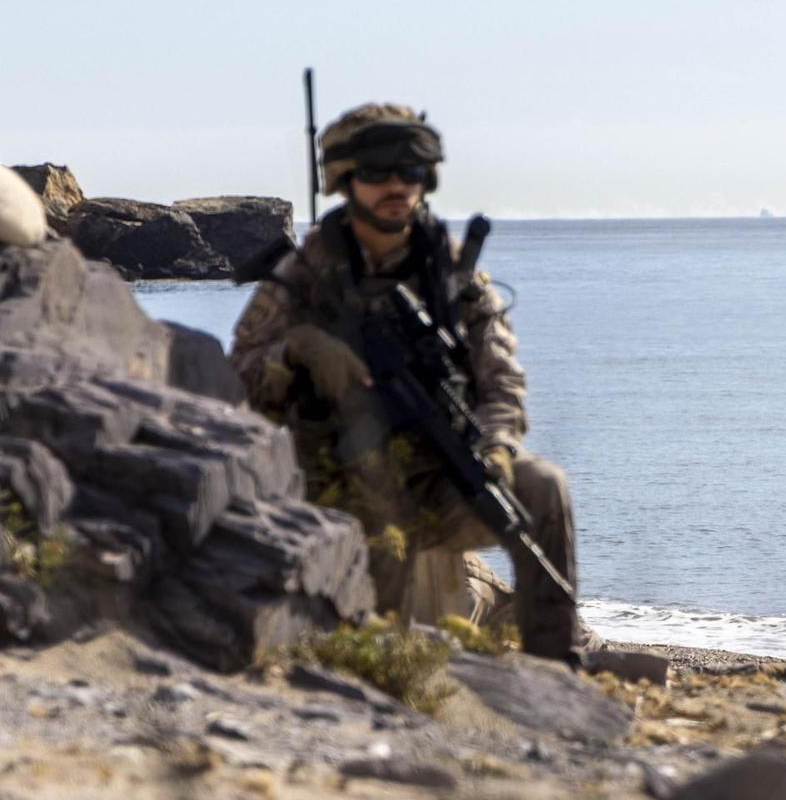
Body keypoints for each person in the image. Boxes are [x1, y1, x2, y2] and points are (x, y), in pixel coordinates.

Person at [229, 102, 593, 664]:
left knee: (542, 486)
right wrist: (300, 350)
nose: (396, 186)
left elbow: (502, 380)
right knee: (384, 652)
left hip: (437, 477)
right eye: (378, 172)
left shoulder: (450, 275)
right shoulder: (304, 274)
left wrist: (496, 445)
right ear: (345, 180)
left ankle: (557, 667)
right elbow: (237, 376)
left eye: (412, 172)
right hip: (338, 487)